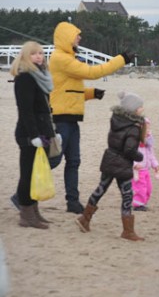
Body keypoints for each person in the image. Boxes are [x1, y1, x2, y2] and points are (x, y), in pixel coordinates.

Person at [46, 21, 131, 214]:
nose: (80, 38)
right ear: (67, 37)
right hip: (61, 119)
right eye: (77, 35)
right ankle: (24, 196)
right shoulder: (61, 59)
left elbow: (69, 90)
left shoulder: (66, 58)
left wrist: (92, 94)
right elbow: (93, 72)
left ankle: (72, 202)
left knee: (74, 161)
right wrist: (121, 59)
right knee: (52, 160)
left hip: (71, 119)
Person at [75, 91, 146, 241]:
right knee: (127, 195)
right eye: (140, 107)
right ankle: (128, 231)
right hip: (122, 165)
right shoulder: (133, 127)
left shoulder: (116, 120)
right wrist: (140, 156)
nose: (142, 108)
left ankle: (84, 218)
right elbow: (129, 150)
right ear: (133, 109)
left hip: (109, 159)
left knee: (101, 189)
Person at [11, 41, 59, 229]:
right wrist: (33, 136)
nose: (39, 56)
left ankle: (34, 211)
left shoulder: (41, 76)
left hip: (43, 130)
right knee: (28, 174)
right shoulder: (25, 78)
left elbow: (44, 109)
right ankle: (26, 214)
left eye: (40, 53)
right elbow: (26, 111)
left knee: (37, 173)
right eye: (34, 54)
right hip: (29, 133)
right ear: (25, 57)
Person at [132, 117, 159, 211]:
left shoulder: (147, 143)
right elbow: (129, 154)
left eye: (149, 129)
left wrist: (155, 165)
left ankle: (143, 202)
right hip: (138, 170)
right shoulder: (134, 142)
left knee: (148, 188)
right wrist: (135, 164)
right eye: (145, 129)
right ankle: (138, 205)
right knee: (140, 188)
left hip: (146, 169)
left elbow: (151, 154)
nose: (148, 131)